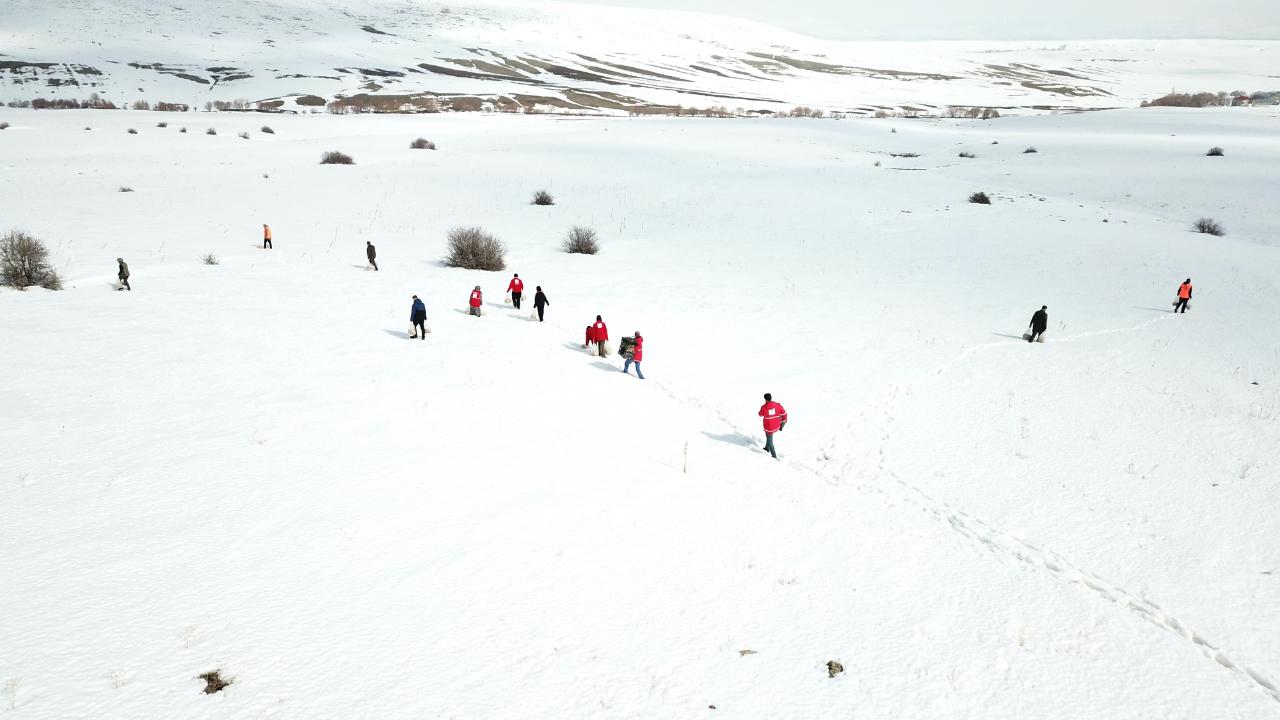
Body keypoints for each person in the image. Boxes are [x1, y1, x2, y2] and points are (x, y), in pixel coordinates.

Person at [758, 393, 788, 459]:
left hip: (769, 427)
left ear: (765, 399)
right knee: (769, 437)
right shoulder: (777, 405)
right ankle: (766, 448)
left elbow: (760, 414)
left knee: (770, 440)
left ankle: (774, 456)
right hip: (776, 425)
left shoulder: (764, 407)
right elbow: (784, 413)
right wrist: (784, 421)